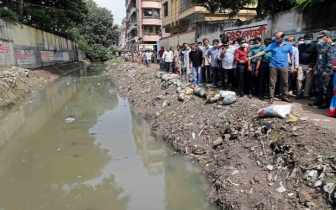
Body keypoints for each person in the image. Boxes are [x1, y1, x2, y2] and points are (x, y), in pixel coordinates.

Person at [248, 32, 295, 104]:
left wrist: (293, 66)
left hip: (284, 65)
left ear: (282, 38)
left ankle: (285, 96)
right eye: (276, 38)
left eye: (278, 38)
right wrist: (252, 57)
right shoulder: (272, 45)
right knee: (272, 83)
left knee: (285, 82)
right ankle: (271, 98)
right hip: (273, 66)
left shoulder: (288, 45)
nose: (276, 39)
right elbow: (263, 52)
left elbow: (291, 55)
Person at [309, 30, 336, 109]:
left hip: (326, 71)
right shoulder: (322, 45)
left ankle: (326, 102)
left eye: (321, 37)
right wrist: (316, 66)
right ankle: (319, 100)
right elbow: (320, 58)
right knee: (319, 87)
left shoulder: (332, 46)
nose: (320, 39)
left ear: (327, 36)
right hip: (319, 70)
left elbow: (331, 60)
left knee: (326, 88)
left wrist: (327, 71)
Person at [296, 33, 318, 99]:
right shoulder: (300, 46)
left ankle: (306, 94)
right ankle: (299, 93)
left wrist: (312, 66)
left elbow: (315, 56)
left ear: (312, 39)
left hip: (309, 65)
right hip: (300, 64)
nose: (307, 40)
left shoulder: (315, 45)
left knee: (308, 81)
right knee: (299, 79)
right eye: (306, 39)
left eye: (309, 39)